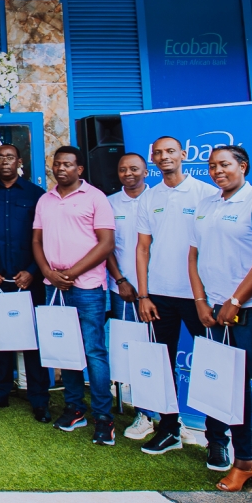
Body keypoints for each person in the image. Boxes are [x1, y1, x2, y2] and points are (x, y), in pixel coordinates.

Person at [186, 146, 252, 490]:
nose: (217, 171)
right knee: (232, 391)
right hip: (216, 312)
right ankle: (244, 461)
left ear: (242, 166)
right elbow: (194, 255)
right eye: (212, 166)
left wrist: (235, 300)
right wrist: (201, 300)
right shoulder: (206, 204)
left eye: (225, 165)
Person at [136, 136, 220, 454]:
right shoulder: (150, 196)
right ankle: (170, 428)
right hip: (159, 294)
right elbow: (143, 248)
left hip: (199, 296)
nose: (163, 156)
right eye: (157, 152)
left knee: (212, 366)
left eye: (170, 151)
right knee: (162, 364)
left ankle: (218, 439)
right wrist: (144, 295)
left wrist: (206, 295)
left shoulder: (207, 193)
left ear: (183, 155)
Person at [32, 147, 117, 444]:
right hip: (53, 285)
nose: (61, 169)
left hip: (87, 287)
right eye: (57, 164)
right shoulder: (46, 199)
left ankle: (104, 417)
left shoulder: (95, 198)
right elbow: (37, 240)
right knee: (63, 347)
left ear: (80, 169)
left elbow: (106, 243)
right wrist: (49, 272)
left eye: (68, 164)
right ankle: (74, 408)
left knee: (93, 351)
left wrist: (72, 273)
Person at [0, 144, 50, 421]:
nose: (4, 162)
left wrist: (32, 271)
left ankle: (39, 399)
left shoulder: (37, 195)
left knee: (33, 341)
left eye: (9, 157)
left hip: (28, 280)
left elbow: (44, 239)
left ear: (19, 161)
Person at [105, 153, 157, 439]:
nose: (128, 173)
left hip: (158, 290)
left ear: (146, 172)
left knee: (158, 351)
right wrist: (121, 280)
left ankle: (167, 415)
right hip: (123, 291)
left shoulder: (158, 199)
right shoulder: (111, 203)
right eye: (123, 169)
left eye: (134, 169)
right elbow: (108, 246)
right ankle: (143, 413)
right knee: (132, 353)